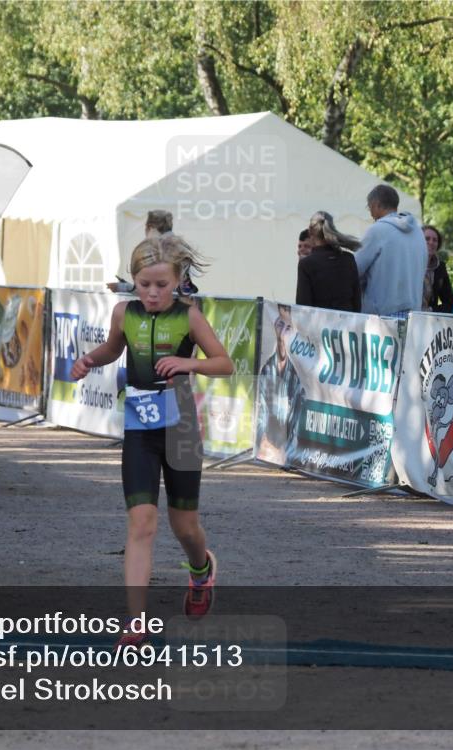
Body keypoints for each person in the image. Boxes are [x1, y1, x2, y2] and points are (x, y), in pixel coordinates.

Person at [71, 235, 233, 647]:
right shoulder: (124, 313)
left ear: (178, 280)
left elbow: (224, 363)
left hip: (180, 432)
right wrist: (90, 359)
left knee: (185, 525)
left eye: (162, 284)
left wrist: (189, 362)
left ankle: (201, 569)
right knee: (142, 522)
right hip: (139, 430)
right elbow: (112, 349)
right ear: (134, 281)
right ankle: (137, 623)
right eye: (145, 284)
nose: (153, 292)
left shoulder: (190, 317)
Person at [354, 184, 426, 316]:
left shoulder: (377, 230)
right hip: (414, 316)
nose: (370, 213)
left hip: (382, 318)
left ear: (376, 204)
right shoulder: (418, 232)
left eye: (369, 207)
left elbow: (354, 269)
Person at [255, 305, 305, 465]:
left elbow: (297, 424)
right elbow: (260, 416)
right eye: (280, 325)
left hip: (287, 453)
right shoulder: (267, 369)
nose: (283, 332)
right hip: (266, 451)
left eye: (288, 327)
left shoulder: (299, 374)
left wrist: (287, 454)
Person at [107, 210, 198, 295]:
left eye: (146, 228)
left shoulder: (163, 249)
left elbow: (158, 293)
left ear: (150, 228)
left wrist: (124, 287)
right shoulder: (178, 245)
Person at [296, 211, 362, 312]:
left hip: (318, 326)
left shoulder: (306, 264)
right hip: (347, 325)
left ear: (310, 231)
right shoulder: (348, 259)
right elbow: (357, 302)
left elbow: (303, 307)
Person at [421, 225, 453, 312]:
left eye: (435, 240)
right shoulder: (408, 264)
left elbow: (450, 303)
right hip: (406, 316)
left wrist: (431, 310)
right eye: (427, 239)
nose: (431, 242)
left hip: (430, 319)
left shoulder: (440, 268)